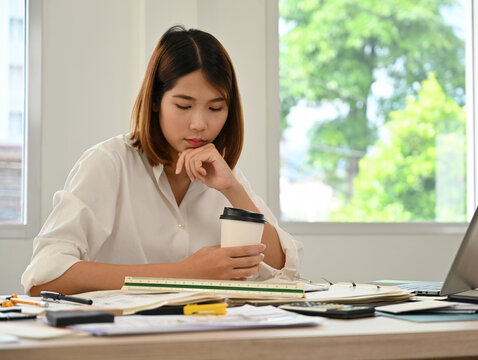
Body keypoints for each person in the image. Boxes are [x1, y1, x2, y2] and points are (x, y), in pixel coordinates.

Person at [22, 25, 302, 296]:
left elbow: (283, 272)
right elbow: (45, 276)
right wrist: (185, 272)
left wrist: (234, 190)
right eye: (183, 106)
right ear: (155, 100)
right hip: (120, 336)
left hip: (205, 332)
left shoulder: (225, 176)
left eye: (216, 108)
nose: (199, 124)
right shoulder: (109, 164)